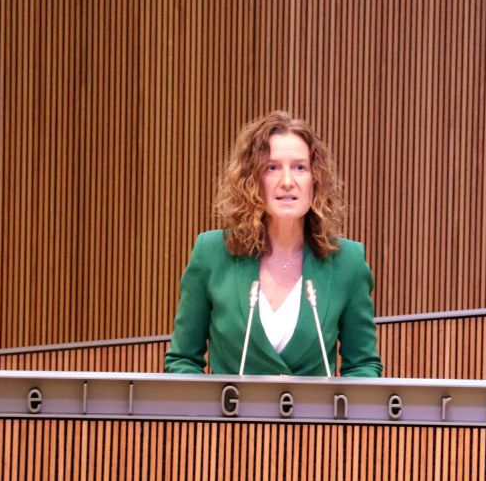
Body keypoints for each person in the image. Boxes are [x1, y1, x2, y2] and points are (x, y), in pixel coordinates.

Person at [164, 111, 382, 377]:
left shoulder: (347, 261)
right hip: (230, 406)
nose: (287, 182)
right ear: (251, 179)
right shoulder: (211, 253)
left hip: (313, 407)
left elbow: (363, 366)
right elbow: (182, 360)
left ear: (315, 179)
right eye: (272, 168)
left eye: (300, 167)